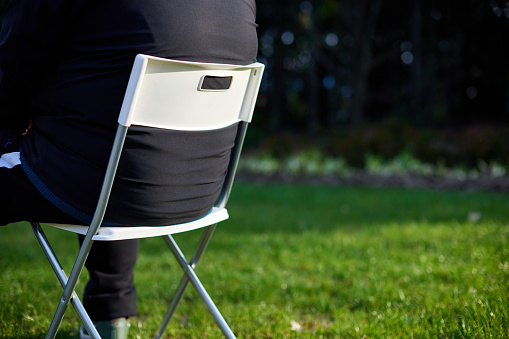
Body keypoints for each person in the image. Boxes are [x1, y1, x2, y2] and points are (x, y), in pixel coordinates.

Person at [0, 0, 258, 338]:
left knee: (99, 158)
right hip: (201, 191)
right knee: (112, 151)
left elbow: (14, 62)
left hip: (93, 182)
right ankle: (109, 319)